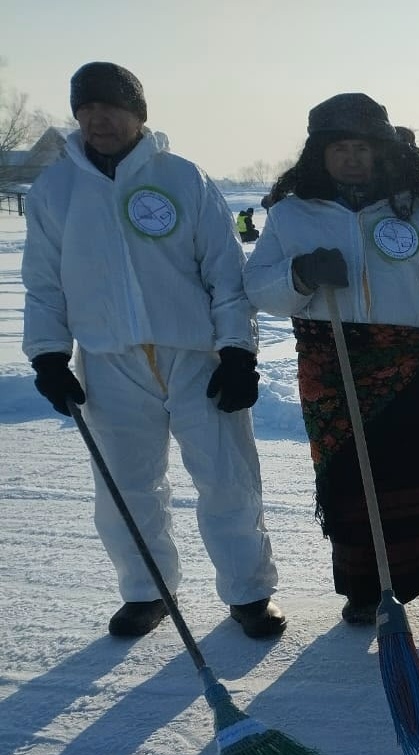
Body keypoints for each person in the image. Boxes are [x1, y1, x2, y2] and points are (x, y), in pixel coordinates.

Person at [21, 61, 285, 639]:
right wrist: (47, 356)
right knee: (125, 484)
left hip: (195, 356)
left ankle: (249, 593)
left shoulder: (183, 178)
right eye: (87, 109)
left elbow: (225, 273)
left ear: (138, 114)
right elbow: (43, 283)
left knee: (226, 477)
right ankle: (147, 591)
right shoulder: (55, 190)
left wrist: (237, 351)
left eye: (111, 108)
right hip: (108, 361)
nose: (98, 120)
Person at [244, 93, 419, 630]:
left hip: (416, 368)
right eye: (340, 147)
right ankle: (368, 586)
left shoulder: (415, 211)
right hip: (333, 370)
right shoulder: (291, 215)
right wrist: (300, 275)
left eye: (362, 148)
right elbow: (256, 286)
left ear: (381, 151)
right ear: (319, 153)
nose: (352, 158)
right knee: (351, 482)